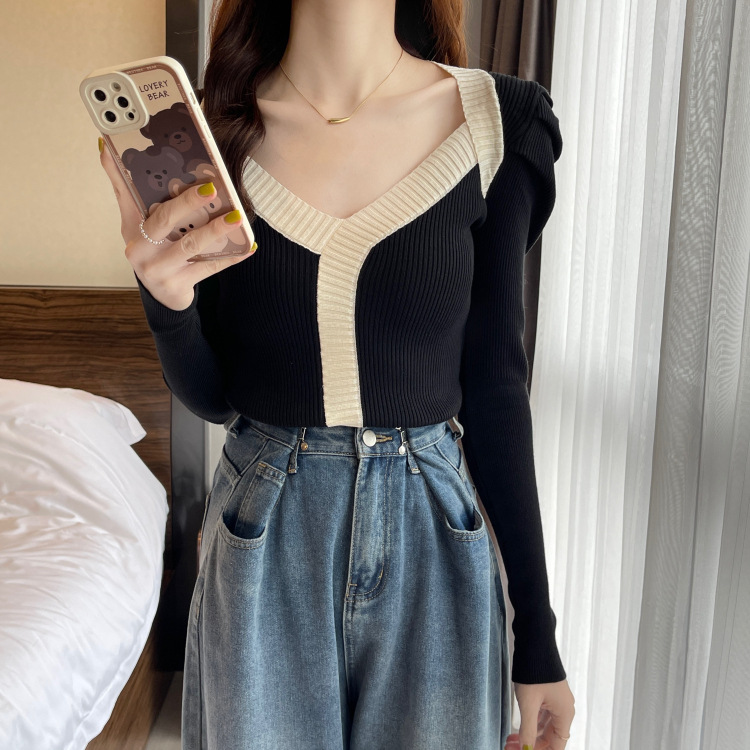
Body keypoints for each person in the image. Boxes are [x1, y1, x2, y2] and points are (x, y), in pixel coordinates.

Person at [98, 1, 575, 747]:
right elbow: (216, 398)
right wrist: (168, 303)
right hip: (262, 529)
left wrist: (538, 641)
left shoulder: (498, 123)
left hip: (434, 534)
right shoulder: (211, 131)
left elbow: (496, 391)